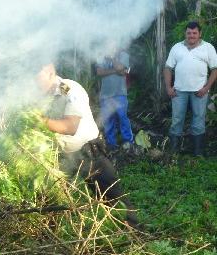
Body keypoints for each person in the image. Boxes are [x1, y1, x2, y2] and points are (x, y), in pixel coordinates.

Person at [36, 63, 139, 226]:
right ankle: (49, 237)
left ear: (49, 72)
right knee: (50, 199)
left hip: (89, 152)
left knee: (114, 200)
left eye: (36, 77)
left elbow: (70, 127)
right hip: (62, 155)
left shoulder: (68, 89)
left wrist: (40, 121)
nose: (33, 83)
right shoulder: (39, 96)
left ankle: (134, 231)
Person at [163, 21, 217, 156]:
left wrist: (206, 88)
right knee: (177, 120)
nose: (191, 35)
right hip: (179, 91)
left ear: (200, 34)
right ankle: (174, 151)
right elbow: (168, 68)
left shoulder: (208, 47)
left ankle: (197, 152)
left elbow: (215, 69)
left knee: (198, 120)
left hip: (200, 91)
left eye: (194, 33)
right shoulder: (177, 47)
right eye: (189, 33)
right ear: (185, 33)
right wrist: (168, 87)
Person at [96, 47, 134, 151]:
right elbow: (99, 72)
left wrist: (112, 58)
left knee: (123, 118)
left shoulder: (123, 55)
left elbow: (121, 68)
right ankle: (111, 144)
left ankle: (128, 142)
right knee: (108, 120)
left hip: (120, 93)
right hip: (105, 94)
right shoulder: (101, 56)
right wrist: (116, 71)